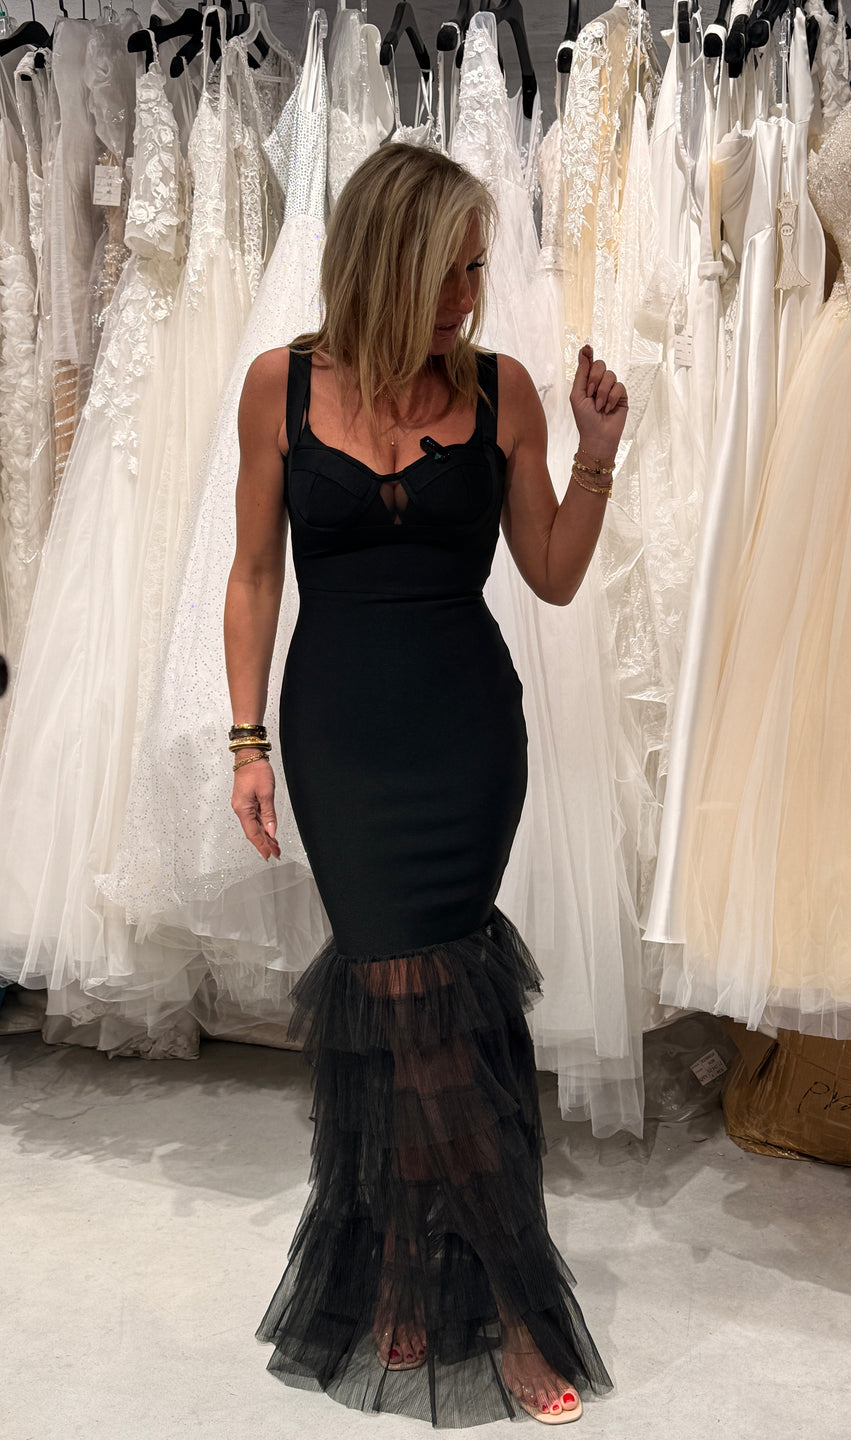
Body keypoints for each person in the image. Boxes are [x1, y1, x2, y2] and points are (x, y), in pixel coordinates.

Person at [223, 144, 627, 1428]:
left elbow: (550, 572)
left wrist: (599, 454)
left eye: (476, 269)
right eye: (451, 271)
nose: (469, 295)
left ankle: (449, 1283)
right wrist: (246, 743)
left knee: (432, 1008)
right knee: (408, 1004)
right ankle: (495, 1293)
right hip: (340, 737)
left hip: (466, 736)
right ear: (388, 262)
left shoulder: (503, 392)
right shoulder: (281, 386)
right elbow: (254, 574)